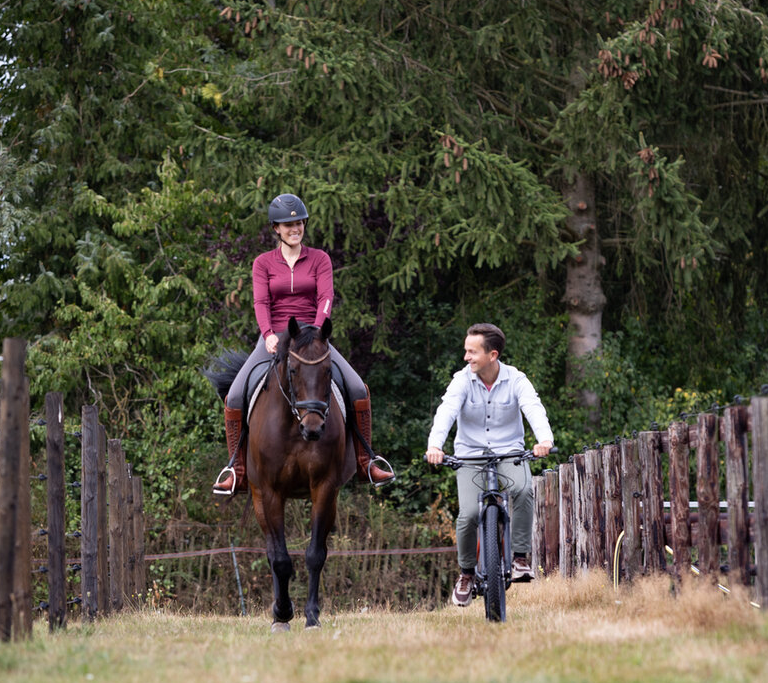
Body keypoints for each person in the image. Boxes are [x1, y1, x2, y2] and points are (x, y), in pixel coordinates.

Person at [212, 193, 394, 494]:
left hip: (313, 336)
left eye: (298, 223)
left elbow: (325, 297)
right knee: (233, 396)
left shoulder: (320, 259)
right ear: (276, 229)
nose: (294, 228)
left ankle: (366, 462)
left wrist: (319, 331)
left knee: (359, 388)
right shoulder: (263, 263)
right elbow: (260, 301)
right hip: (275, 337)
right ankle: (237, 469)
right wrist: (268, 334)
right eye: (287, 224)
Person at [426, 323, 554, 607]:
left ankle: (520, 558)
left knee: (522, 490)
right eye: (466, 351)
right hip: (469, 454)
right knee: (469, 514)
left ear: (492, 354)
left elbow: (533, 407)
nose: (466, 357)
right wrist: (435, 445)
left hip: (509, 451)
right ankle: (467, 574)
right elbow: (447, 410)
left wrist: (544, 440)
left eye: (472, 352)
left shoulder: (516, 380)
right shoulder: (462, 380)